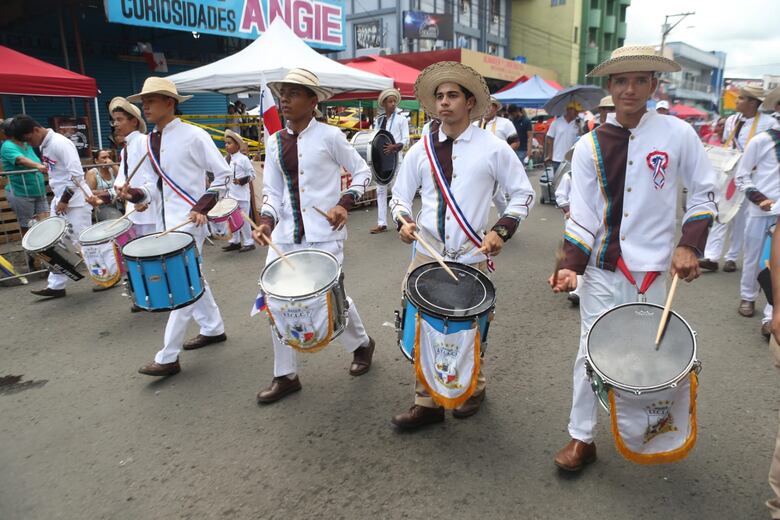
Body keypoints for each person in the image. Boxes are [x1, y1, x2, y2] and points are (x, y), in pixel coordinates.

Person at [549, 45, 718, 472]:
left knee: (650, 352)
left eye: (640, 80)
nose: (630, 89)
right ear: (610, 85)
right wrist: (570, 266)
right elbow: (583, 215)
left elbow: (703, 193)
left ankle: (650, 428)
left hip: (653, 273)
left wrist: (689, 244)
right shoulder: (589, 146)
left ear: (653, 85)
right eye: (622, 80)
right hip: (603, 270)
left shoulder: (679, 135)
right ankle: (582, 437)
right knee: (590, 351)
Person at [389, 61, 535, 429]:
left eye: (452, 95)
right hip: (427, 254)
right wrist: (404, 221)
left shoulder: (493, 148)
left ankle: (473, 387)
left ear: (470, 102)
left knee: (467, 329)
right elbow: (399, 196)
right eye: (439, 96)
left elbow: (523, 194)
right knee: (423, 326)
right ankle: (426, 402)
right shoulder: (421, 149)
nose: (444, 102)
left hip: (471, 255)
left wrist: (500, 231)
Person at [253, 68, 376, 404]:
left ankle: (362, 344)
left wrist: (344, 203)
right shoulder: (274, 141)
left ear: (312, 101)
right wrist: (266, 222)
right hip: (285, 236)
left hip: (324, 234)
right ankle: (285, 375)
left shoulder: (330, 136)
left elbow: (362, 171)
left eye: (293, 94)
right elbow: (273, 192)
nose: (284, 100)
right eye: (282, 94)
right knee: (277, 300)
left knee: (329, 299)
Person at [118, 77, 230, 376]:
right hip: (165, 223)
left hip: (190, 222)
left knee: (180, 283)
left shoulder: (194, 136)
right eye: (143, 102)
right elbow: (152, 188)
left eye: (150, 101)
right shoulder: (149, 141)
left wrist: (201, 207)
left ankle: (168, 357)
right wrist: (135, 194)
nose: (145, 107)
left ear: (170, 103)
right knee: (194, 275)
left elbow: (223, 175)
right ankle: (213, 328)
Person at [15, 115, 100, 299]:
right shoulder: (44, 144)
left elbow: (77, 174)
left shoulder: (60, 143)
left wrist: (65, 199)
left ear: (36, 130)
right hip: (60, 200)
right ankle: (56, 286)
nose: (30, 143)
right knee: (55, 243)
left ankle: (106, 276)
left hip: (75, 202)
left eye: (29, 138)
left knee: (84, 241)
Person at [700, 85, 779, 277]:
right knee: (721, 212)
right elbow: (727, 143)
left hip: (753, 177)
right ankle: (711, 256)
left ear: (753, 103)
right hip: (730, 173)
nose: (737, 101)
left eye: (741, 98)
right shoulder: (731, 120)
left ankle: (732, 257)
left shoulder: (769, 123)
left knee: (741, 218)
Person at [735, 87, 780, 338]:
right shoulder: (762, 140)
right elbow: (742, 176)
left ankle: (771, 316)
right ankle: (748, 296)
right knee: (754, 258)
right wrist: (760, 199)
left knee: (777, 265)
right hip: (761, 210)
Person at [110, 96, 159, 238]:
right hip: (134, 212)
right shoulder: (126, 149)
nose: (115, 124)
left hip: (150, 213)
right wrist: (104, 196)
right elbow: (121, 182)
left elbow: (156, 178)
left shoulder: (145, 142)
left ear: (134, 121)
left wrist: (145, 199)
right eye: (114, 120)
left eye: (119, 119)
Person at [0, 118, 48, 241]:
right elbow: (20, 159)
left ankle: (45, 249)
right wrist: (38, 166)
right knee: (27, 224)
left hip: (38, 190)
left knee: (45, 222)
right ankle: (30, 250)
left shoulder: (26, 144)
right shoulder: (7, 146)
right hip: (21, 192)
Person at [371, 87, 409, 235]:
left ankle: (402, 221)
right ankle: (381, 223)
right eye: (390, 101)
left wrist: (394, 147)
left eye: (394, 101)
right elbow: (375, 138)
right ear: (384, 104)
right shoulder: (379, 120)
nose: (393, 104)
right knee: (380, 190)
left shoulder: (401, 119)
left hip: (396, 160)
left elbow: (406, 140)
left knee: (397, 191)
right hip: (381, 161)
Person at [221, 129, 256, 252]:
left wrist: (241, 181)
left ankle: (249, 242)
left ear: (237, 145)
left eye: (229, 143)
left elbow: (253, 175)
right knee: (231, 218)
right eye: (225, 143)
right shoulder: (225, 159)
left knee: (244, 219)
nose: (226, 145)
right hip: (229, 195)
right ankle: (235, 241)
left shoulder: (243, 159)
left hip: (241, 195)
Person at [86, 149, 123, 221]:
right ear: (96, 161)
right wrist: (105, 192)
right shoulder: (92, 173)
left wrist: (113, 165)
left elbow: (123, 178)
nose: (107, 160)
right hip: (101, 206)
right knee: (116, 219)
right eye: (104, 158)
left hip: (118, 205)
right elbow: (90, 192)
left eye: (109, 157)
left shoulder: (112, 170)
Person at [545, 101, 581, 173]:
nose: (577, 113)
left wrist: (579, 128)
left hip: (571, 160)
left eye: (578, 111)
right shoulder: (556, 123)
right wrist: (550, 155)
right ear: (568, 110)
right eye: (575, 111)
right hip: (557, 159)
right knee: (558, 180)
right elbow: (550, 139)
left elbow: (580, 139)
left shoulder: (577, 124)